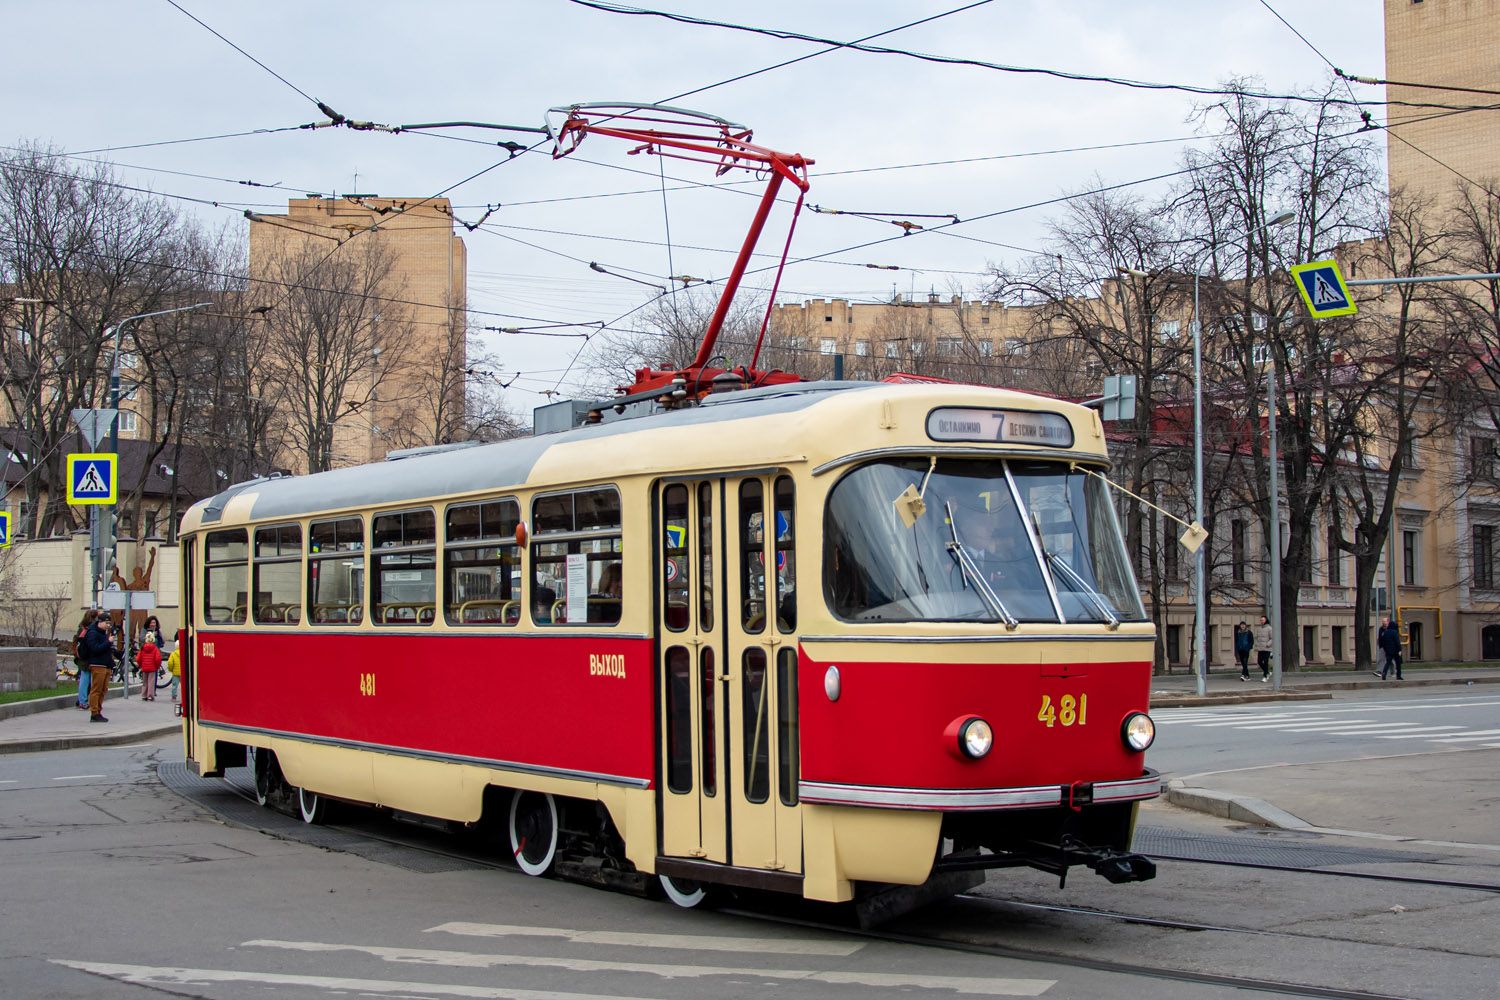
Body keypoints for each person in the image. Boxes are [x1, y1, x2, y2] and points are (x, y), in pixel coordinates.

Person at [79, 615, 118, 722]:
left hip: (106, 664)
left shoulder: (103, 633)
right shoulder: (92, 633)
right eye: (106, 623)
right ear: (99, 622)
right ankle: (94, 713)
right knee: (96, 689)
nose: (108, 625)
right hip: (97, 664)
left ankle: (99, 711)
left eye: (109, 623)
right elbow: (95, 649)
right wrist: (108, 642)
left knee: (103, 689)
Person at [72, 609, 99, 709]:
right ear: (94, 618)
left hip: (82, 657)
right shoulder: (92, 629)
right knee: (87, 679)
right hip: (89, 657)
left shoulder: (82, 627)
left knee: (84, 678)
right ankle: (83, 701)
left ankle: (81, 700)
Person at [137, 632, 162, 701]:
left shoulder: (142, 648)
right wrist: (157, 666)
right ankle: (150, 695)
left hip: (144, 668)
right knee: (151, 682)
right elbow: (158, 659)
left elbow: (138, 658)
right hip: (152, 668)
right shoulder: (155, 649)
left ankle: (144, 695)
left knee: (144, 682)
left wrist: (141, 665)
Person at [1253, 615, 1274, 683]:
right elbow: (1257, 638)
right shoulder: (1259, 629)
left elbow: (1272, 638)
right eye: (1261, 620)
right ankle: (1267, 672)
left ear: (1266, 620)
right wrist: (1256, 644)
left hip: (1267, 648)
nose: (1261, 621)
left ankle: (1265, 676)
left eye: (1263, 620)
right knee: (1259, 661)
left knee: (1265, 662)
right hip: (1260, 648)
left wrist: (1268, 644)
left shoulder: (1269, 628)